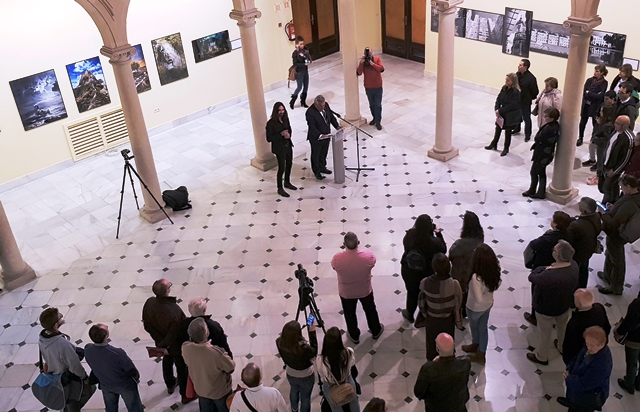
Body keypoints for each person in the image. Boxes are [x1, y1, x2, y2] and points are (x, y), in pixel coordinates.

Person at [526, 240, 579, 366]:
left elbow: (532, 277)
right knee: (562, 327)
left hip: (546, 308)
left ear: (558, 256)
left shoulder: (550, 275)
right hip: (564, 304)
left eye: (554, 250)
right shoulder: (574, 266)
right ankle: (561, 347)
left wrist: (544, 268)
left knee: (544, 332)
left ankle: (542, 357)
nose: (552, 251)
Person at [38, 307, 96, 412]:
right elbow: (74, 365)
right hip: (66, 379)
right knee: (86, 392)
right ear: (56, 324)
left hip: (54, 375)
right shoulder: (62, 344)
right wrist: (84, 378)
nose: (61, 316)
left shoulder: (42, 337)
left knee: (66, 400)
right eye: (60, 316)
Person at [331, 231, 384, 344]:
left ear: (344, 244)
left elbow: (334, 267)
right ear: (358, 242)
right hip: (365, 290)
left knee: (349, 313)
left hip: (346, 293)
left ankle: (354, 335)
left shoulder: (337, 258)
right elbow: (373, 263)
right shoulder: (368, 256)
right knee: (370, 310)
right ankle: (376, 330)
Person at [141, 279, 186, 398]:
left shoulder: (149, 302)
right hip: (175, 345)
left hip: (161, 343)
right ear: (167, 290)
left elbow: (147, 325)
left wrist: (160, 342)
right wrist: (166, 343)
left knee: (167, 361)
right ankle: (185, 392)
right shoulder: (174, 311)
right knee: (181, 367)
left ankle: (170, 384)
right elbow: (176, 333)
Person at [597, 174, 640, 295]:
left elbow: (613, 224)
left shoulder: (631, 203)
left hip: (617, 235)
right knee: (611, 254)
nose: (621, 190)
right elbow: (621, 212)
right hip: (616, 234)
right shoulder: (633, 196)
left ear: (629, 186)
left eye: (622, 187)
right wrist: (613, 208)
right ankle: (607, 275)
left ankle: (615, 287)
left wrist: (603, 214)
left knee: (617, 261)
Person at [85, 324, 143, 412]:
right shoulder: (117, 353)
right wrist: (136, 378)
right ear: (106, 337)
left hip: (105, 385)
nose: (107, 326)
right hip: (124, 386)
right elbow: (131, 369)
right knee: (134, 407)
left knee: (111, 408)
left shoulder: (88, 350)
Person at [400, 214, 447, 323]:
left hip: (409, 270)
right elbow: (443, 250)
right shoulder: (434, 242)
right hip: (426, 272)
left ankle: (410, 314)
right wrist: (438, 234)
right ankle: (426, 315)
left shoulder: (410, 236)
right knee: (427, 293)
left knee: (412, 292)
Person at [182, 318, 235, 412]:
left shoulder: (185, 348)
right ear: (206, 333)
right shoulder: (215, 353)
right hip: (219, 392)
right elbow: (230, 367)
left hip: (201, 390)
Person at [462, 244, 501, 364]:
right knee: (483, 328)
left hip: (475, 307)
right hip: (489, 304)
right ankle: (481, 350)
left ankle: (476, 345)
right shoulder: (494, 270)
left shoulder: (476, 277)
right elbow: (497, 285)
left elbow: (478, 298)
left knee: (475, 327)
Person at [418, 253, 463, 361]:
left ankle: (432, 363)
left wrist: (426, 315)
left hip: (432, 319)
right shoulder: (454, 284)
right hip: (448, 320)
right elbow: (459, 302)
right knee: (447, 342)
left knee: (431, 343)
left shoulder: (425, 282)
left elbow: (421, 303)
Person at [557, 326, 613, 412]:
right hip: (576, 392)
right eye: (587, 344)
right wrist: (569, 368)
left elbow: (584, 384)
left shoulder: (602, 365)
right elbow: (578, 358)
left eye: (592, 345)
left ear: (602, 345)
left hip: (586, 399)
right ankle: (571, 401)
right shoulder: (591, 347)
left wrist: (569, 378)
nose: (588, 347)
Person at [414, 333, 471, 412]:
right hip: (458, 405)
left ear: (437, 349)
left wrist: (434, 364)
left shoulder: (428, 369)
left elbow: (419, 393)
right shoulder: (465, 362)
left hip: (436, 408)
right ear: (454, 346)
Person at [314, 326, 360, 412]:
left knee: (335, 406)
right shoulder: (349, 352)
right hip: (347, 381)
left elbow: (321, 375)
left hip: (330, 385)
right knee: (354, 402)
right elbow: (352, 364)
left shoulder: (321, 360)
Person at [275, 320, 318, 412]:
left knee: (294, 391)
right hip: (306, 375)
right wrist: (312, 332)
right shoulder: (304, 348)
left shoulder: (279, 342)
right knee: (305, 398)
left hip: (290, 373)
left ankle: (294, 409)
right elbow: (314, 352)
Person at [448, 211, 484, 317]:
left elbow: (452, 254)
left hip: (460, 271)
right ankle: (466, 311)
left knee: (459, 292)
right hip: (473, 271)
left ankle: (458, 311)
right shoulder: (480, 239)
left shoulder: (461, 244)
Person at [562, 289, 610, 365]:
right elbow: (607, 327)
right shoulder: (600, 308)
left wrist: (568, 360)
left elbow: (570, 344)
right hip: (598, 346)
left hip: (580, 354)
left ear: (577, 303)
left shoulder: (574, 323)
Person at [522, 107, 560, 200]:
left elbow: (540, 139)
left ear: (552, 118)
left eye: (546, 116)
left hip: (543, 154)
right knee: (541, 172)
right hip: (543, 153)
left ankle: (535, 190)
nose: (544, 117)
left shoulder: (551, 128)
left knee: (534, 172)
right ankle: (538, 191)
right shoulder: (552, 125)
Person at [567, 197, 602, 289]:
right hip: (588, 248)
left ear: (584, 210)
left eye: (580, 204)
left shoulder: (577, 225)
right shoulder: (596, 217)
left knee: (575, 271)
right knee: (584, 269)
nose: (578, 205)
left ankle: (575, 290)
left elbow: (568, 235)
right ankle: (583, 288)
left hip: (579, 252)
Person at [305, 95, 342, 180]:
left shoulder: (326, 106)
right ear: (316, 104)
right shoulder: (310, 112)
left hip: (327, 135)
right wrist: (320, 135)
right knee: (316, 154)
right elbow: (312, 126)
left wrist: (337, 127)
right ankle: (317, 171)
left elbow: (331, 117)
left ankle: (322, 167)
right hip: (316, 137)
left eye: (323, 105)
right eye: (321, 106)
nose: (323, 107)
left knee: (323, 152)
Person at [600, 115, 634, 205]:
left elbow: (626, 158)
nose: (614, 124)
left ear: (625, 126)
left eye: (617, 123)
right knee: (611, 188)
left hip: (613, 169)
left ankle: (604, 206)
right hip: (606, 164)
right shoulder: (615, 131)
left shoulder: (628, 138)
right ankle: (613, 203)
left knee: (608, 188)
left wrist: (615, 171)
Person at [485, 72, 521, 156]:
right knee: (498, 128)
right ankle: (494, 143)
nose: (506, 81)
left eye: (508, 80)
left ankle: (506, 148)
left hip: (509, 115)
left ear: (512, 81)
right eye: (506, 80)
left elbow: (513, 105)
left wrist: (500, 110)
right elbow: (499, 98)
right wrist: (497, 108)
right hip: (501, 112)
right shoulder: (504, 88)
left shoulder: (515, 92)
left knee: (507, 132)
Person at [266, 102, 296, 198]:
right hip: (279, 148)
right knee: (281, 168)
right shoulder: (270, 123)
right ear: (276, 111)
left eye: (283, 110)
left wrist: (289, 134)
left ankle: (287, 182)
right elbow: (269, 138)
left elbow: (289, 129)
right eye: (279, 110)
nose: (281, 112)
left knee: (289, 164)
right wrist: (281, 134)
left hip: (288, 145)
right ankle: (280, 188)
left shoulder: (285, 119)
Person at [614, 289, 640, 394]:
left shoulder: (637, 304)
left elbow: (628, 323)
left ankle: (629, 384)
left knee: (632, 363)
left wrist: (618, 332)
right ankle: (638, 383)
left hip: (635, 340)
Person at [578, 65, 609, 146]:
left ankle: (593, 138)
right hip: (586, 105)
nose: (595, 73)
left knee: (594, 123)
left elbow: (600, 96)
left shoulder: (604, 83)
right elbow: (584, 92)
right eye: (595, 71)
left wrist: (590, 93)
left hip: (595, 106)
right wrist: (592, 94)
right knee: (582, 122)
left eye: (597, 71)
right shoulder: (589, 80)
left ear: (602, 73)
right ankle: (580, 137)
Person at [582, 100, 616, 173]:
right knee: (592, 146)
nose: (600, 113)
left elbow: (605, 138)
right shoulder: (603, 121)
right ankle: (592, 160)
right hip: (597, 141)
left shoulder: (608, 125)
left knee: (601, 160)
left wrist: (595, 139)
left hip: (602, 145)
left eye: (601, 111)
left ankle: (599, 174)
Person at [356, 47, 385, 130]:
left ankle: (378, 122)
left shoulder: (377, 59)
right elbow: (359, 73)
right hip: (368, 87)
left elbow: (381, 69)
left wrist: (372, 64)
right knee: (372, 105)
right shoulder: (363, 62)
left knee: (378, 105)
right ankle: (374, 118)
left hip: (378, 86)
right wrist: (361, 64)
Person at [513, 59, 539, 141]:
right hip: (517, 99)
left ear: (525, 67)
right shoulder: (517, 74)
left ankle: (527, 134)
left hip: (525, 101)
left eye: (520, 65)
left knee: (526, 118)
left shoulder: (531, 78)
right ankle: (516, 128)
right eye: (519, 64)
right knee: (517, 115)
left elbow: (535, 91)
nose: (518, 66)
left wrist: (528, 97)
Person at [289, 36, 311, 109]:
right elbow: (295, 64)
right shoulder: (295, 53)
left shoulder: (306, 51)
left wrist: (309, 61)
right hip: (299, 72)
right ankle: (292, 101)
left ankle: (303, 101)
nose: (302, 45)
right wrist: (303, 64)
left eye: (303, 44)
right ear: (297, 44)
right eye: (301, 44)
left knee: (306, 87)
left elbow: (309, 58)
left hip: (305, 71)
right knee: (299, 87)